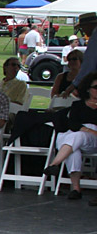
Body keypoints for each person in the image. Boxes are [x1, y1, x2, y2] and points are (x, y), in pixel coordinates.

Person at [42, 73, 97, 201]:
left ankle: (54, 164)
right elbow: (72, 123)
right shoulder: (78, 105)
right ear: (88, 89)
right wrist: (88, 130)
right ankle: (76, 189)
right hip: (80, 135)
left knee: (74, 138)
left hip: (94, 139)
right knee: (74, 147)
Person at [65, 12, 97, 98]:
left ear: (89, 25)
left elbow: (89, 65)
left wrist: (74, 85)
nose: (83, 30)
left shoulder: (95, 38)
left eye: (83, 27)